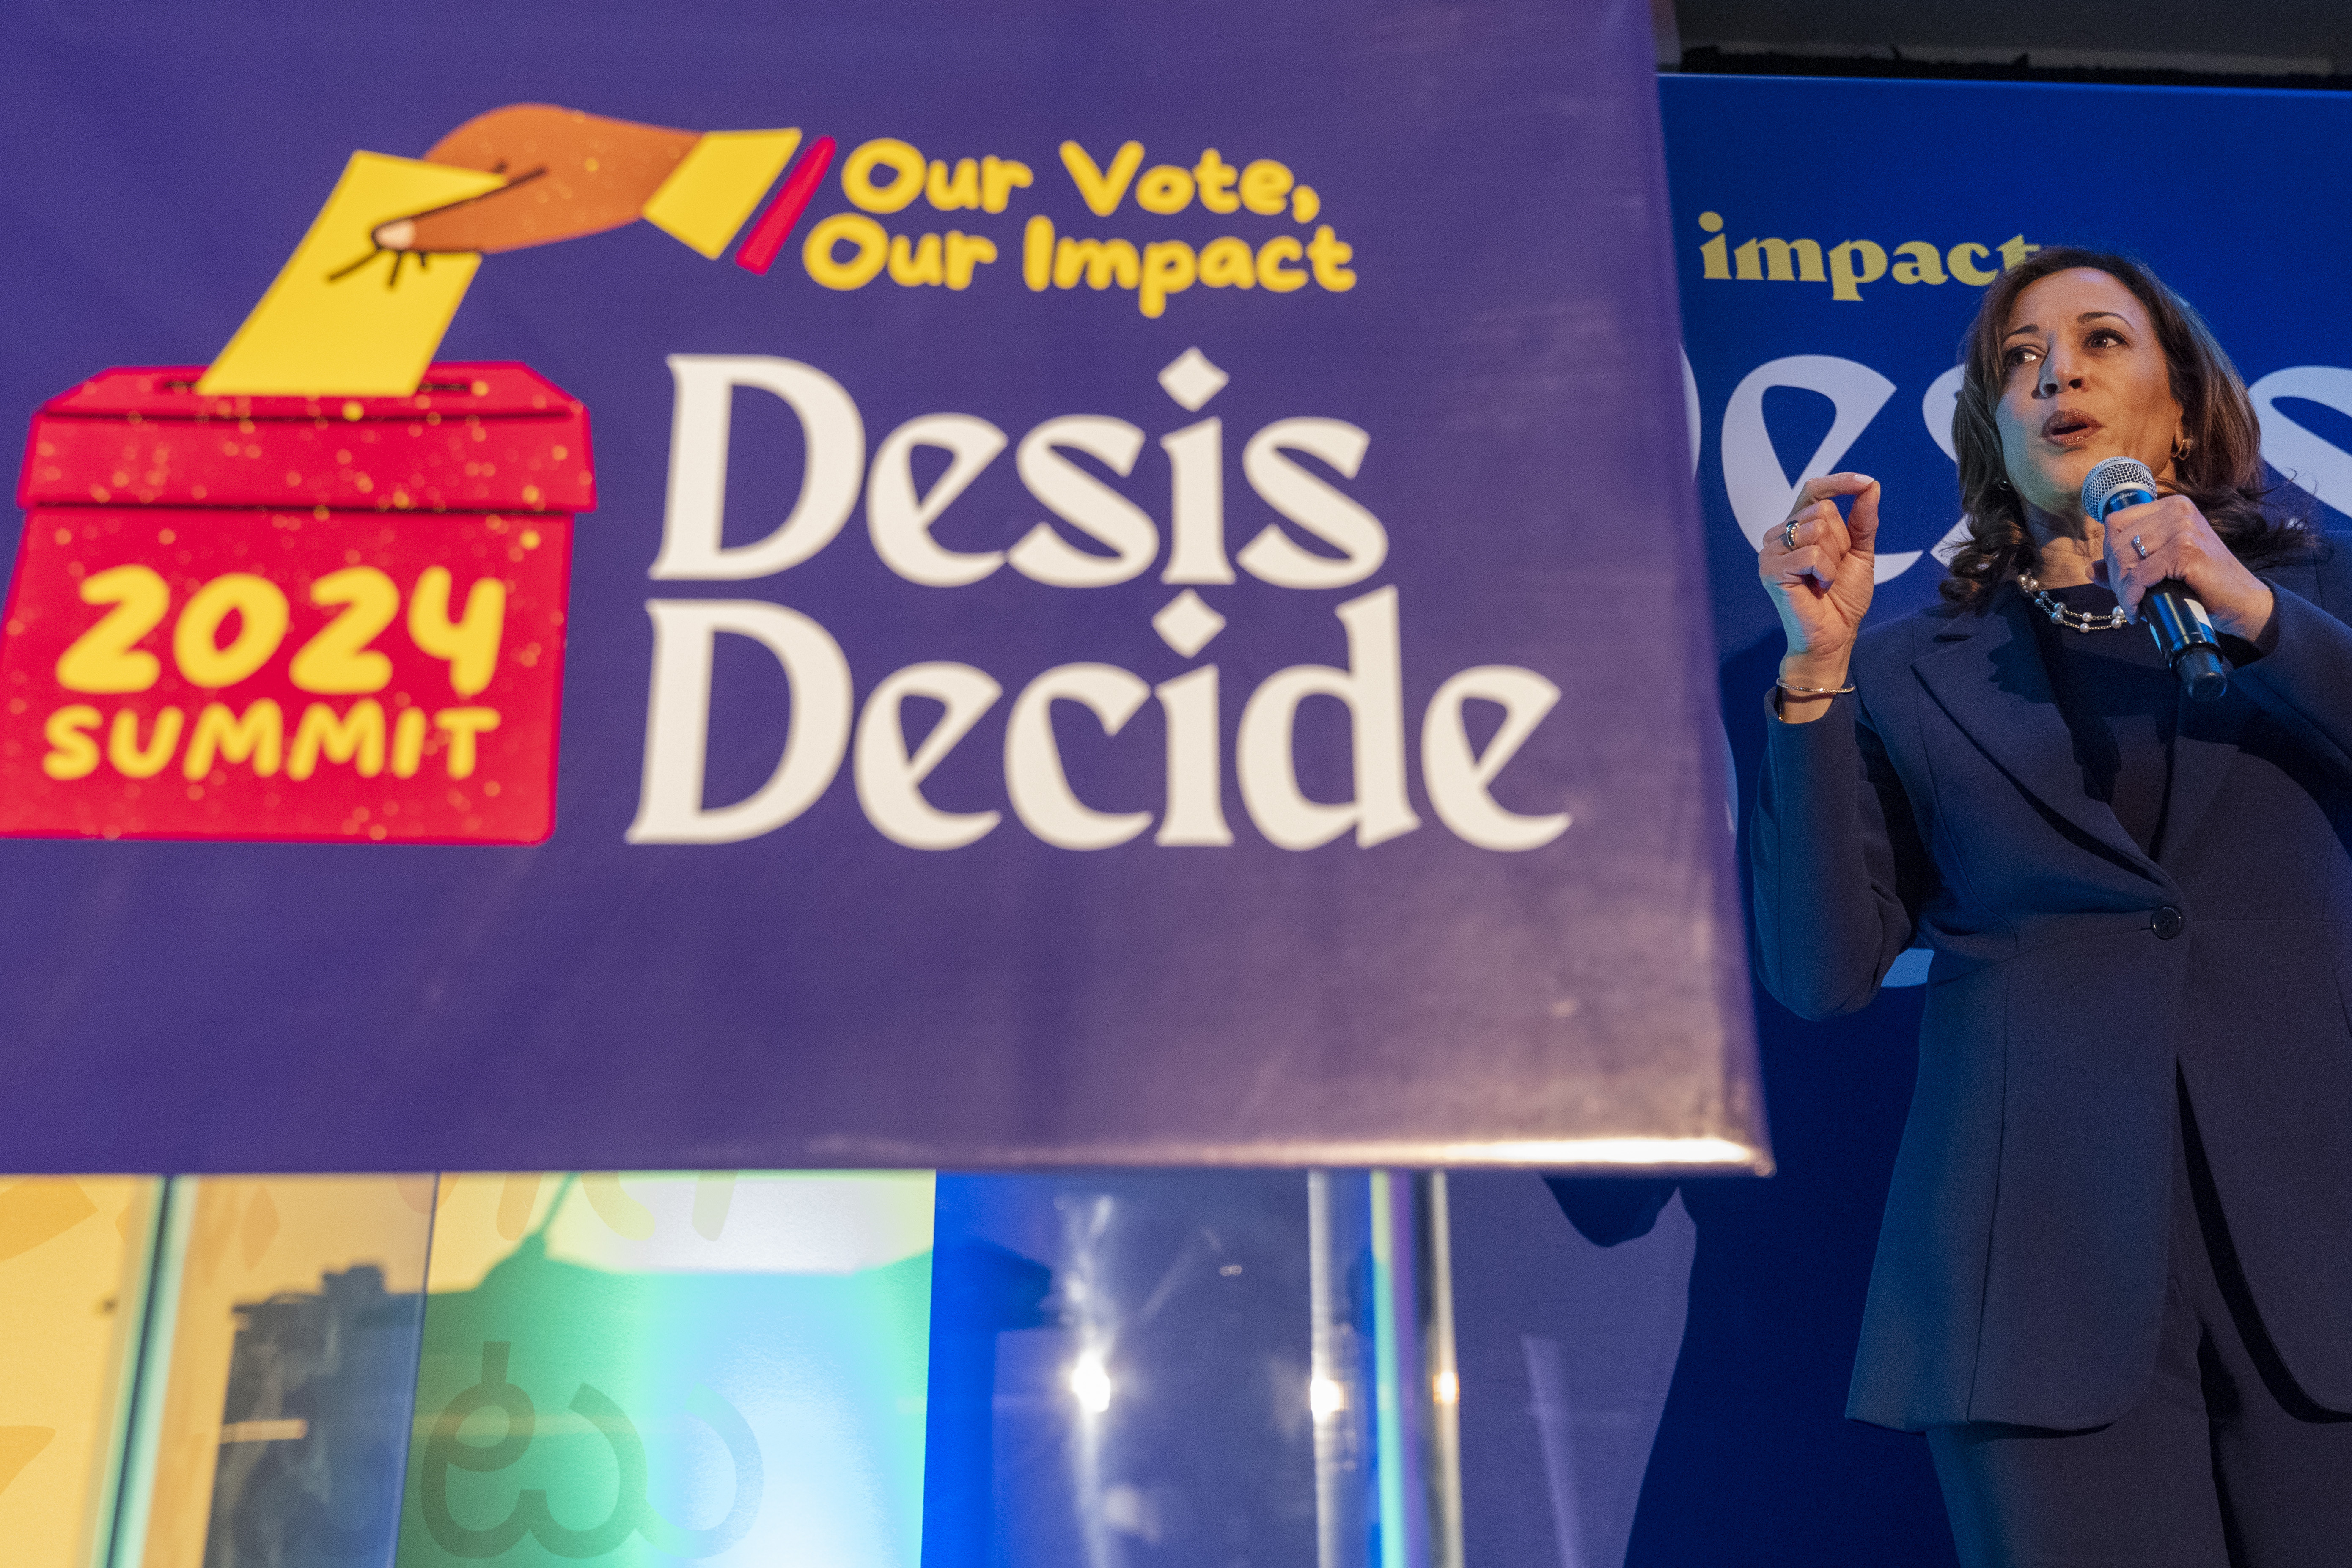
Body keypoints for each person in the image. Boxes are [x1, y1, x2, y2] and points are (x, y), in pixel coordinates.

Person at [1750, 246, 2352, 1564]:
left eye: (2100, 341)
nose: (2056, 372)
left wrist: (2246, 607)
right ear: (1993, 433)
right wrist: (1813, 680)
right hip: (2033, 1282)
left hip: (2323, 1253)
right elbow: (1820, 970)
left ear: (2182, 409)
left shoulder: (2316, 602)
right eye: (2020, 359)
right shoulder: (1906, 672)